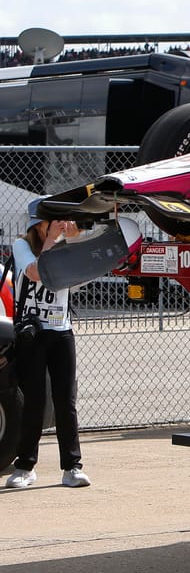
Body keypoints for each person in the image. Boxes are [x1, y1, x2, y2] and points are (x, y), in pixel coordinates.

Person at [5, 197, 91, 489]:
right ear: (38, 224)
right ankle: (25, 467)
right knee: (34, 400)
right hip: (33, 332)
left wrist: (73, 239)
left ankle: (72, 467)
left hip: (61, 330)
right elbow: (36, 272)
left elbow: (80, 275)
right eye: (51, 222)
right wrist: (53, 240)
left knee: (66, 400)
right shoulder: (22, 245)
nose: (57, 225)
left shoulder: (66, 244)